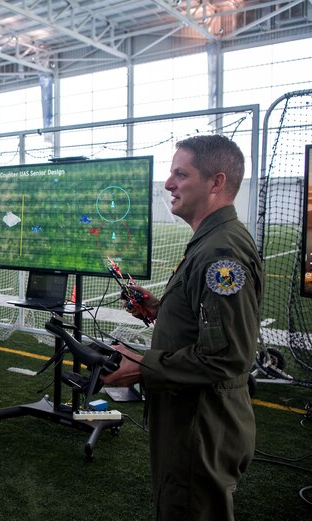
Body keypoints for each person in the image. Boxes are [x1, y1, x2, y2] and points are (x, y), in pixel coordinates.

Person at [101, 135, 263, 521]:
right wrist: (160, 309)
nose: (169, 184)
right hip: (192, 416)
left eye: (180, 174)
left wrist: (142, 365)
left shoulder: (220, 253)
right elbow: (207, 323)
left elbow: (227, 356)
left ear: (216, 182)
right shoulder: (210, 241)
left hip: (200, 423)